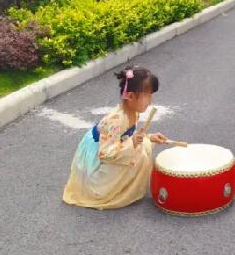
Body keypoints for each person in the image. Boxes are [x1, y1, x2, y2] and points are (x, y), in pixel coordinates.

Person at [63, 67, 168, 209]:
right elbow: (106, 153)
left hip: (111, 145)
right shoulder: (117, 120)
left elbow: (125, 137)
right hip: (98, 154)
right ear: (130, 96)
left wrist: (149, 138)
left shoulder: (132, 111)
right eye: (147, 96)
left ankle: (125, 183)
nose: (150, 101)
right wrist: (132, 142)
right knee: (139, 153)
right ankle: (110, 188)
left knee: (142, 149)